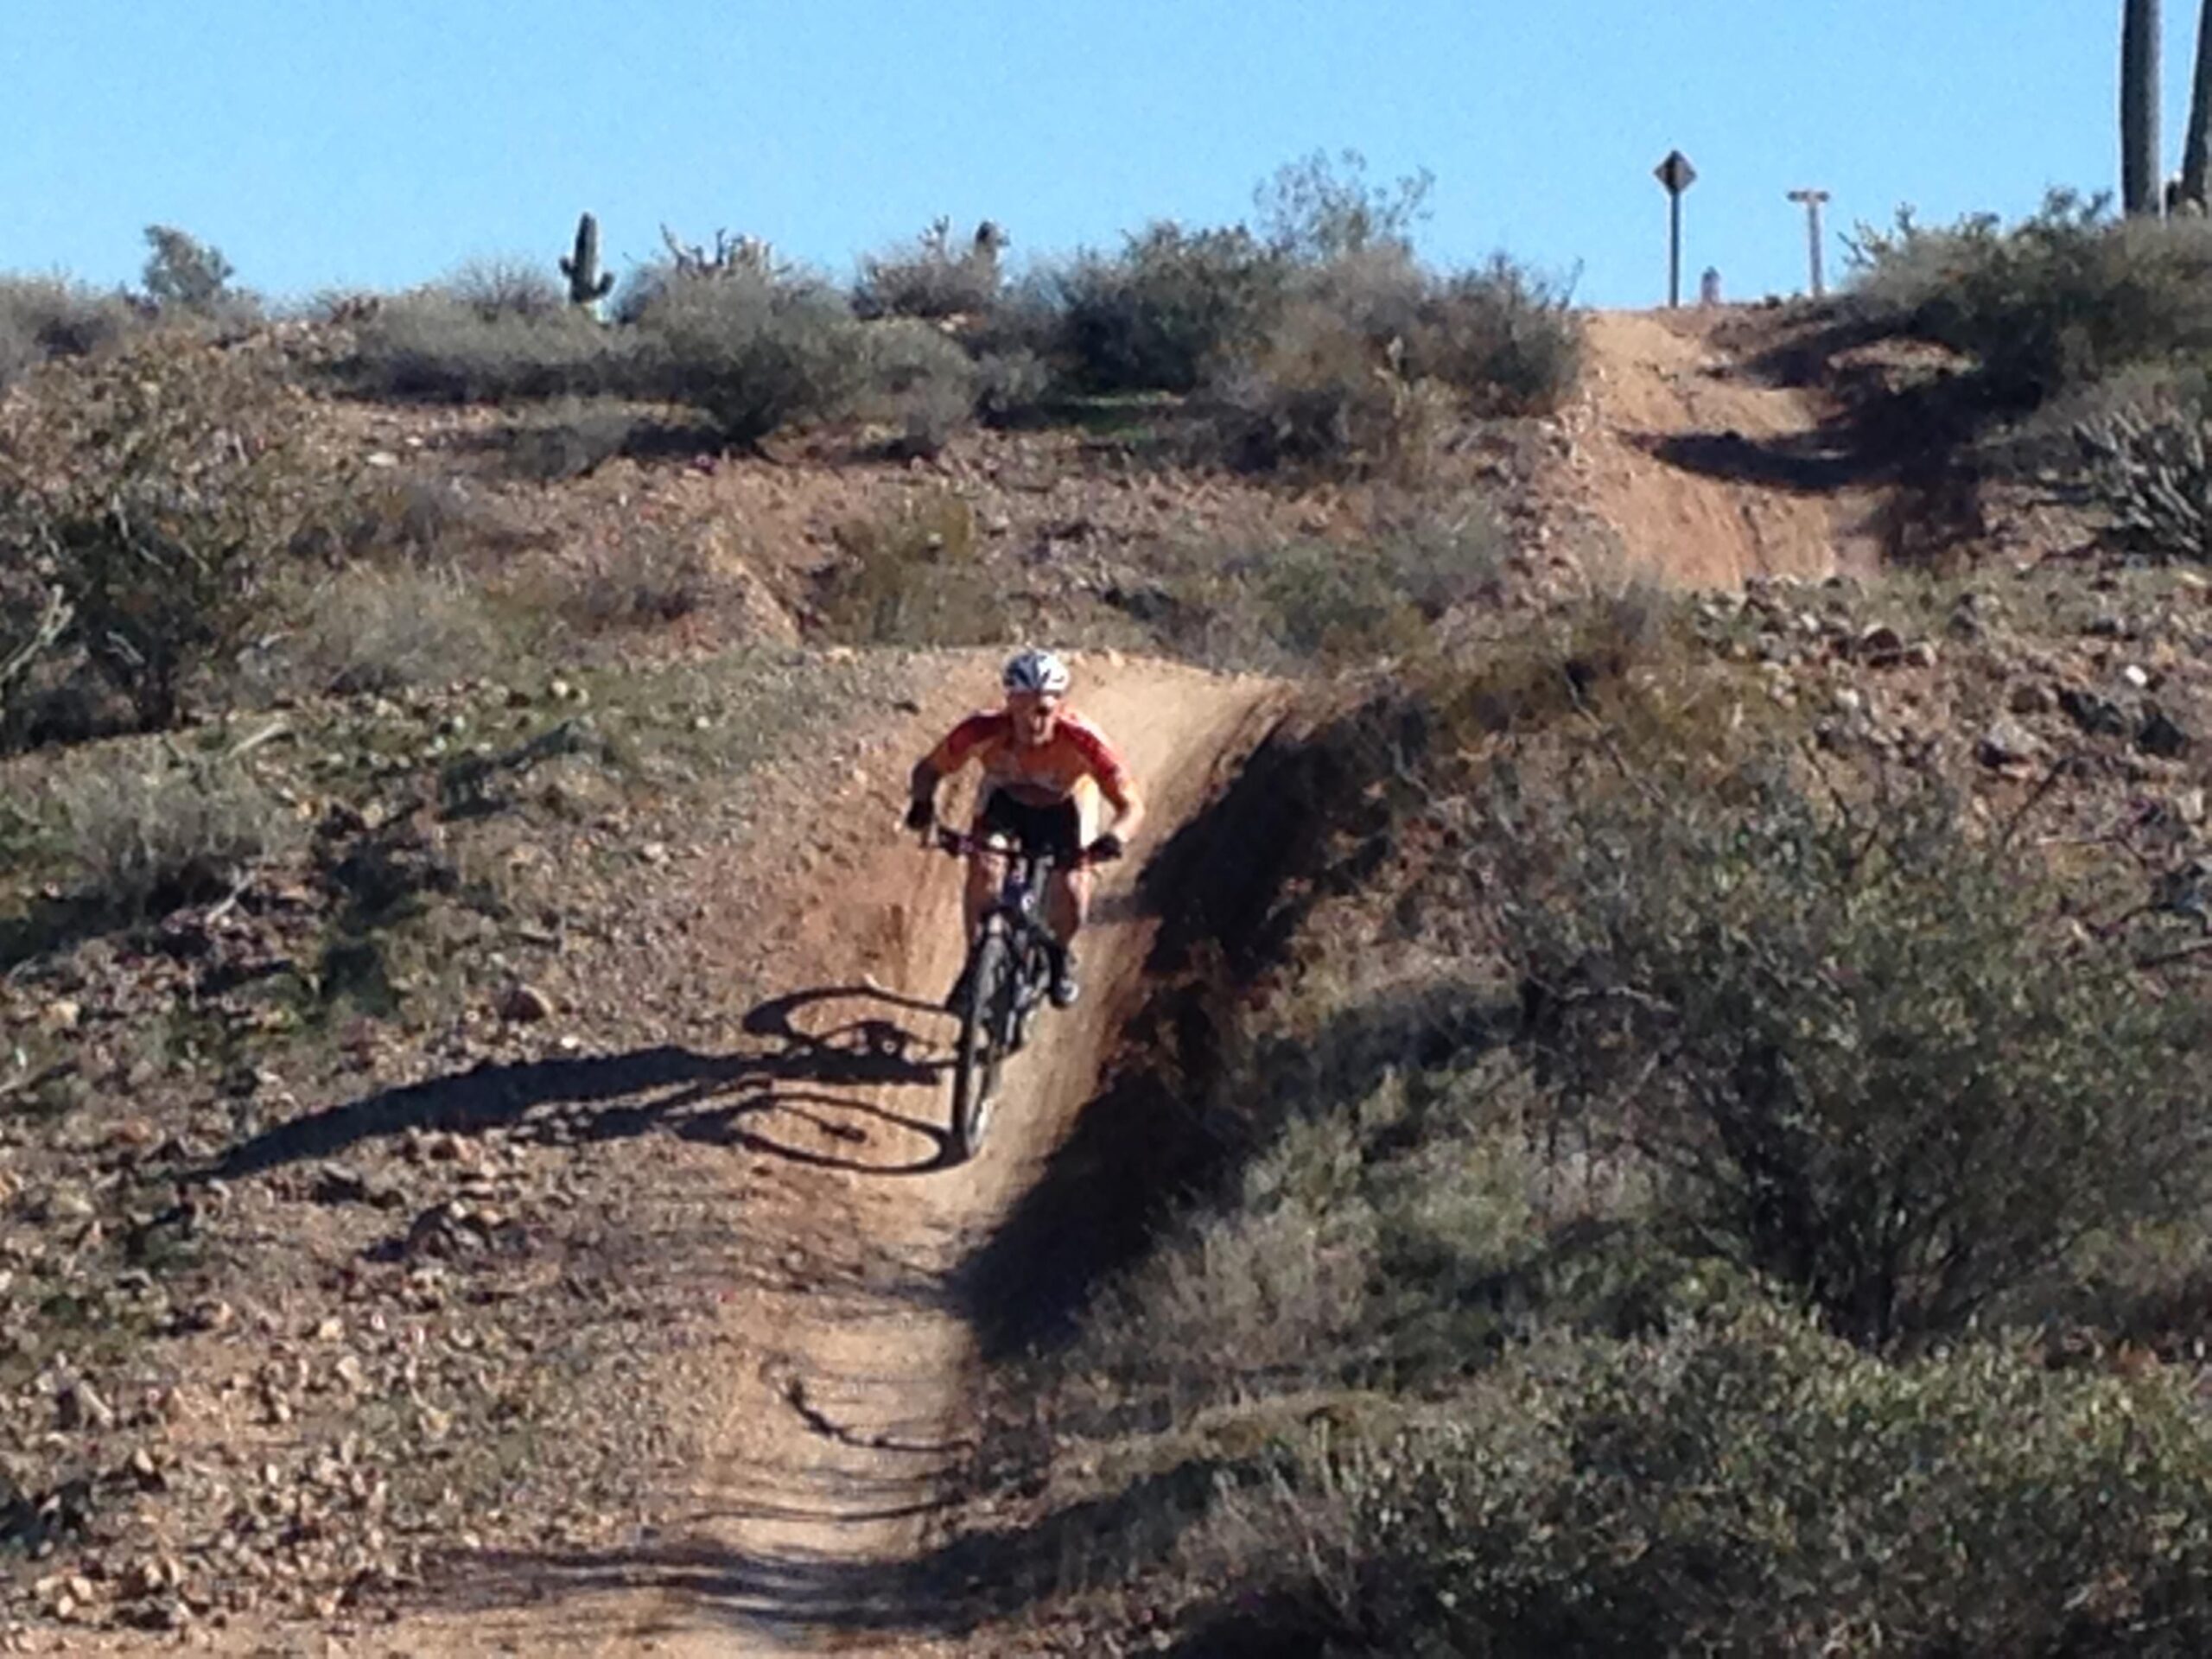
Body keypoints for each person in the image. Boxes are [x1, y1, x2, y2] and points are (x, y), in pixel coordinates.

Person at [906, 648, 1142, 1010]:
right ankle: (974, 965)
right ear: (1009, 705)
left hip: (1066, 808)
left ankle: (1060, 955)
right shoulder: (980, 730)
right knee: (984, 869)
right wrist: (923, 807)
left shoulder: (1084, 740)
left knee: (1074, 887)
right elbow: (928, 769)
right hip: (1006, 804)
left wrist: (1114, 838)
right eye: (1022, 711)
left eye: (1044, 711)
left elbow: (1131, 805)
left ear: (1060, 707)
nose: (1033, 722)